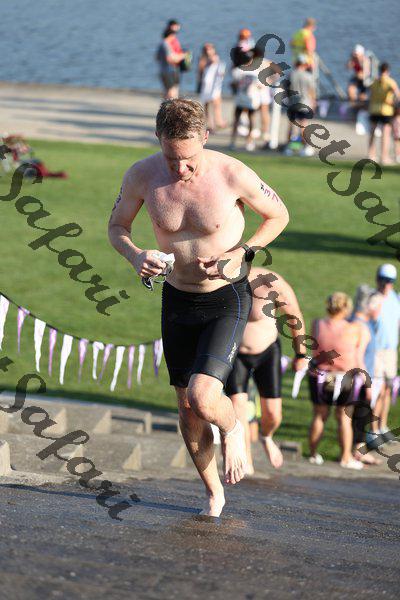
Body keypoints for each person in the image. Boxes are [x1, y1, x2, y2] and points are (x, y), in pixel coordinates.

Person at [108, 99, 289, 517]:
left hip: (226, 296)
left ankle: (234, 426)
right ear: (159, 139)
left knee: (203, 396)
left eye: (188, 158)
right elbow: (117, 227)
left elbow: (278, 215)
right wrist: (135, 256)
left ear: (205, 138)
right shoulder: (141, 175)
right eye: (171, 158)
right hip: (177, 298)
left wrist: (243, 252)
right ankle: (213, 494)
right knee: (187, 410)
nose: (180, 168)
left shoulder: (233, 173)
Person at [225, 267, 308, 472]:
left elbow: (294, 317)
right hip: (236, 353)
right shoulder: (223, 282)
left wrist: (300, 354)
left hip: (267, 351)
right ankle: (246, 461)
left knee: (273, 414)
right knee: (238, 407)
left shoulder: (272, 283)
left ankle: (266, 436)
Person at [308, 292, 368, 470]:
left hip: (320, 376)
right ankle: (345, 457)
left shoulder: (317, 324)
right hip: (345, 376)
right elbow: (358, 357)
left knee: (319, 416)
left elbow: (314, 350)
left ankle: (313, 454)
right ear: (346, 308)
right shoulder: (355, 328)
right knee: (344, 418)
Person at [350, 285, 382, 465]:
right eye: (378, 306)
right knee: (360, 414)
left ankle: (355, 450)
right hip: (359, 378)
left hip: (359, 377)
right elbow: (358, 356)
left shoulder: (357, 321)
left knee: (361, 414)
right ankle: (357, 451)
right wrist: (367, 382)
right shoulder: (361, 326)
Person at [369, 264, 400, 446]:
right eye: (382, 280)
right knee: (378, 390)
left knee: (388, 389)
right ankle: (372, 431)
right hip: (376, 351)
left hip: (390, 351)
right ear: (377, 279)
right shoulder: (373, 299)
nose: (385, 284)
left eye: (389, 281)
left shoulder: (396, 299)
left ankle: (382, 426)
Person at [230, 49, 264, 151]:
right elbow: (260, 86)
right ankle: (249, 142)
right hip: (251, 100)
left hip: (240, 98)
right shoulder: (256, 72)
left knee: (236, 120)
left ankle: (233, 141)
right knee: (252, 120)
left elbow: (233, 84)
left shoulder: (237, 71)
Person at [368, 62, 400, 164]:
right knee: (385, 134)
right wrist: (393, 103)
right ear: (388, 71)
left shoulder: (374, 82)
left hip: (374, 109)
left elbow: (370, 94)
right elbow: (398, 95)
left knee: (372, 133)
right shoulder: (390, 81)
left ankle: (371, 155)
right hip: (386, 110)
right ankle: (384, 157)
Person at [285, 54, 316, 157]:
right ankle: (305, 147)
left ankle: (290, 147)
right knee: (303, 126)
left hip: (293, 103)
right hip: (305, 104)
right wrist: (313, 104)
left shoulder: (291, 74)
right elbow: (312, 92)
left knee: (292, 126)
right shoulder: (308, 76)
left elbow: (286, 90)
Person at [199, 44, 227, 131]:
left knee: (216, 103)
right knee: (208, 104)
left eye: (210, 49)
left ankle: (217, 121)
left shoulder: (214, 58)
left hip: (214, 85)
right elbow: (200, 71)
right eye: (207, 50)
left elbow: (220, 70)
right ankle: (211, 124)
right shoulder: (203, 60)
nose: (209, 51)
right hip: (206, 85)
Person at [156, 27, 187, 99]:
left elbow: (157, 57)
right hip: (168, 71)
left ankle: (166, 104)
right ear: (171, 35)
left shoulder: (161, 44)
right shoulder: (166, 44)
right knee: (171, 93)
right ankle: (168, 105)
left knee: (168, 91)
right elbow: (170, 59)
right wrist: (183, 56)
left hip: (163, 70)